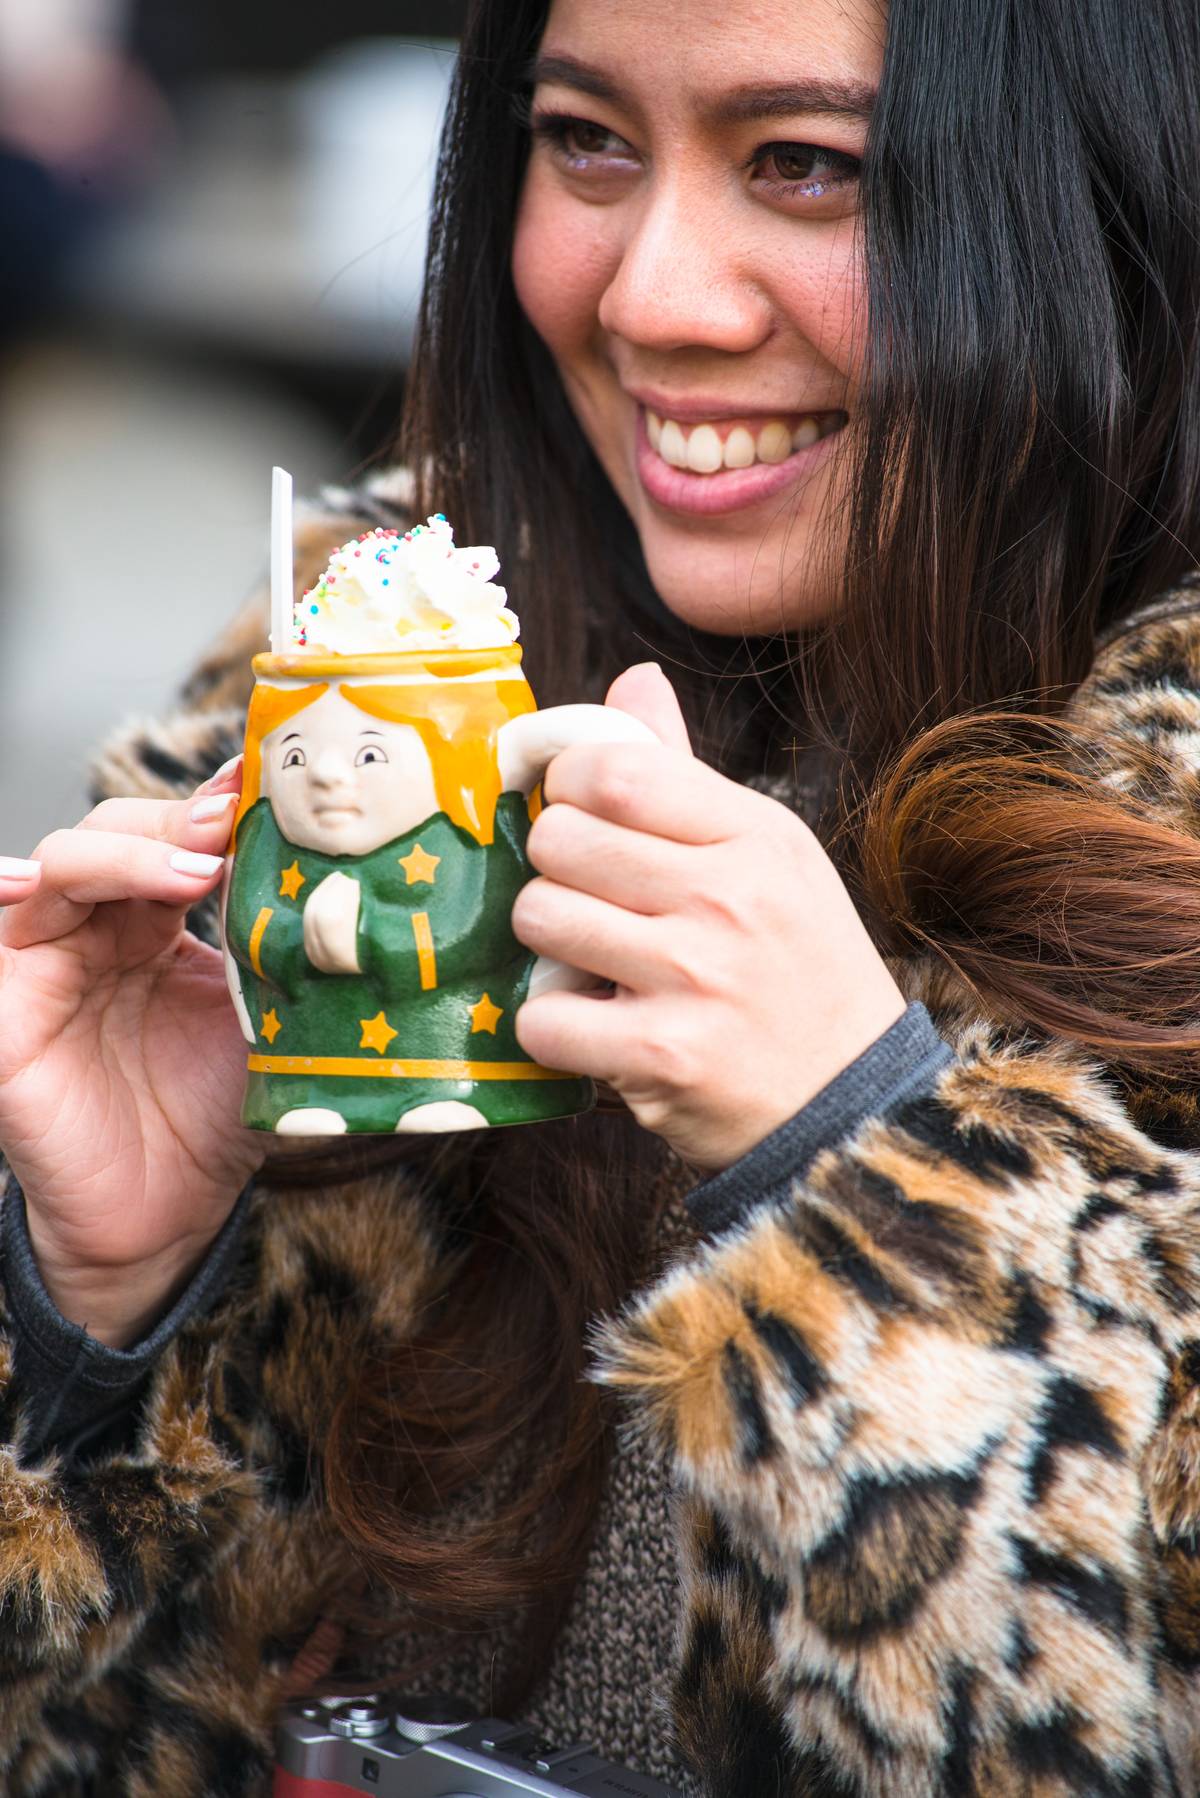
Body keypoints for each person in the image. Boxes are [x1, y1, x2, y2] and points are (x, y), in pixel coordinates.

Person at [0, 0, 1198, 1790]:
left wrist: (856, 1173)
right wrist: (97, 1317)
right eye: (586, 142)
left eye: (809, 165)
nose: (650, 296)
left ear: (1107, 197)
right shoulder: (331, 705)